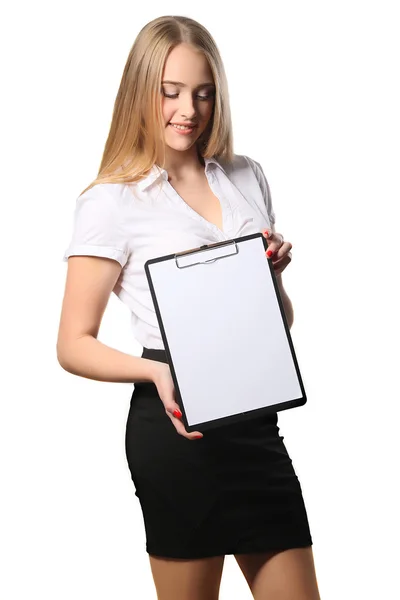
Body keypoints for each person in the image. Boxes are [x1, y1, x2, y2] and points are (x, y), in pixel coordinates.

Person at [57, 15, 321, 600]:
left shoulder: (246, 176)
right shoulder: (111, 201)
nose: (189, 110)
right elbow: (72, 343)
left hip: (256, 426)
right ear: (140, 92)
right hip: (177, 430)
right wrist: (156, 370)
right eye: (170, 92)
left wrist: (272, 279)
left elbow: (281, 322)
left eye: (203, 93)